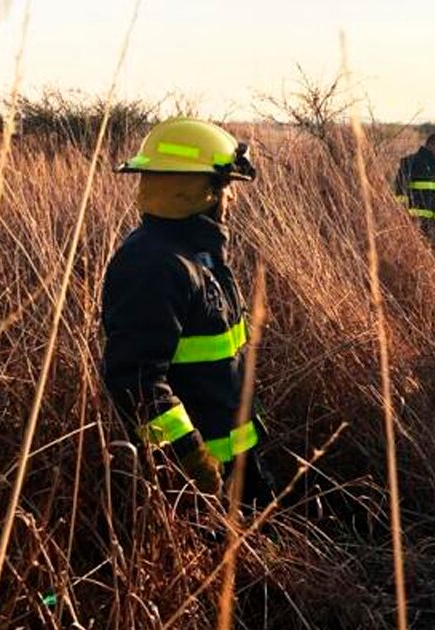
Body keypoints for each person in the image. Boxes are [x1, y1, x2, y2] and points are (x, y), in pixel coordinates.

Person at [102, 118, 275, 507]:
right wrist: (189, 457)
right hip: (197, 479)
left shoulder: (199, 255)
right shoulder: (153, 265)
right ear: (201, 192)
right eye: (225, 187)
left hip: (234, 458)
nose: (231, 198)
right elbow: (135, 379)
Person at [394, 133, 435, 234]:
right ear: (430, 145)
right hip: (412, 222)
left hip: (430, 224)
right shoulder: (411, 162)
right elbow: (400, 189)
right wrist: (403, 214)